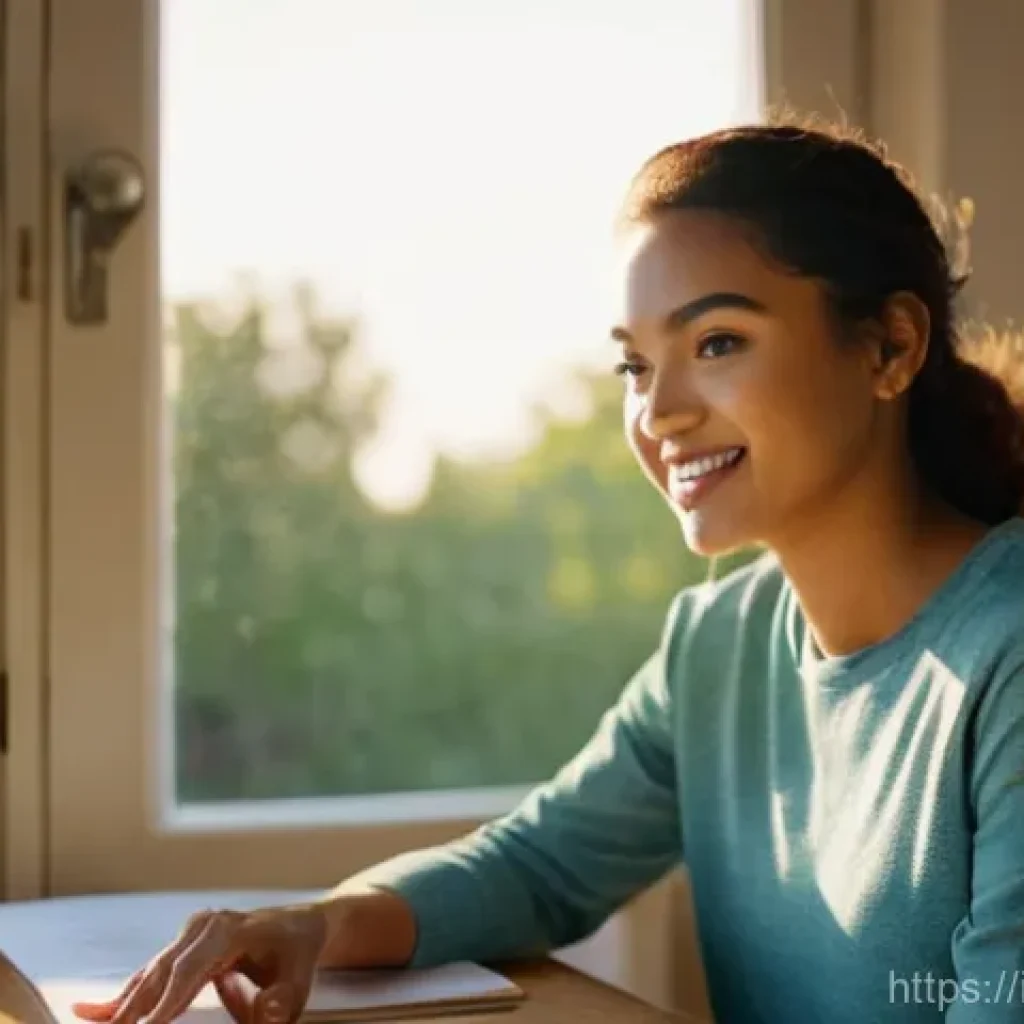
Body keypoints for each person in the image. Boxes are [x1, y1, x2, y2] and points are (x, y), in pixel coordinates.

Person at [74, 118, 1024, 1024]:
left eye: (717, 343)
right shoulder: (717, 649)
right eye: (636, 368)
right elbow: (536, 866)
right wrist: (315, 923)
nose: (658, 413)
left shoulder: (1007, 654)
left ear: (892, 347)